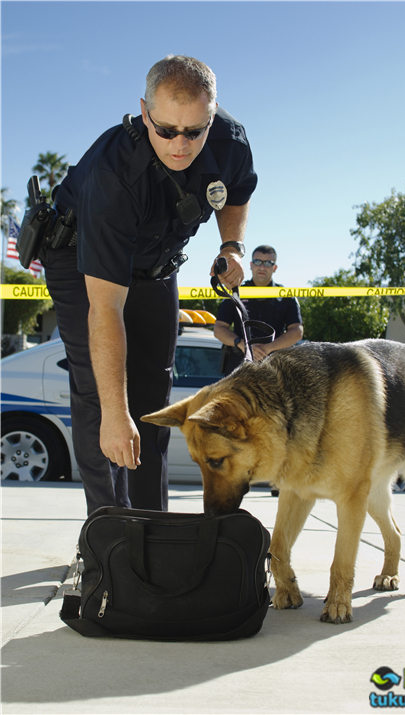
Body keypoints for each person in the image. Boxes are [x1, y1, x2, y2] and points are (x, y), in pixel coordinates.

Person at [42, 55, 257, 515]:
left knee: (153, 399)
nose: (181, 145)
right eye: (166, 130)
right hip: (83, 256)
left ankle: (151, 526)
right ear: (144, 113)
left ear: (212, 115)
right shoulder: (113, 173)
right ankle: (109, 536)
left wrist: (233, 247)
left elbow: (236, 193)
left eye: (195, 131)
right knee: (104, 402)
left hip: (156, 258)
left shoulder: (231, 142)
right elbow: (106, 311)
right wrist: (116, 417)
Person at [214, 245, 303, 374]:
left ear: (275, 267)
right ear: (250, 265)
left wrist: (267, 349)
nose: (262, 267)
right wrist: (243, 345)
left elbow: (297, 331)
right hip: (239, 368)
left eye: (268, 263)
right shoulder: (235, 293)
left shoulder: (285, 295)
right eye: (257, 262)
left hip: (275, 370)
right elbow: (219, 329)